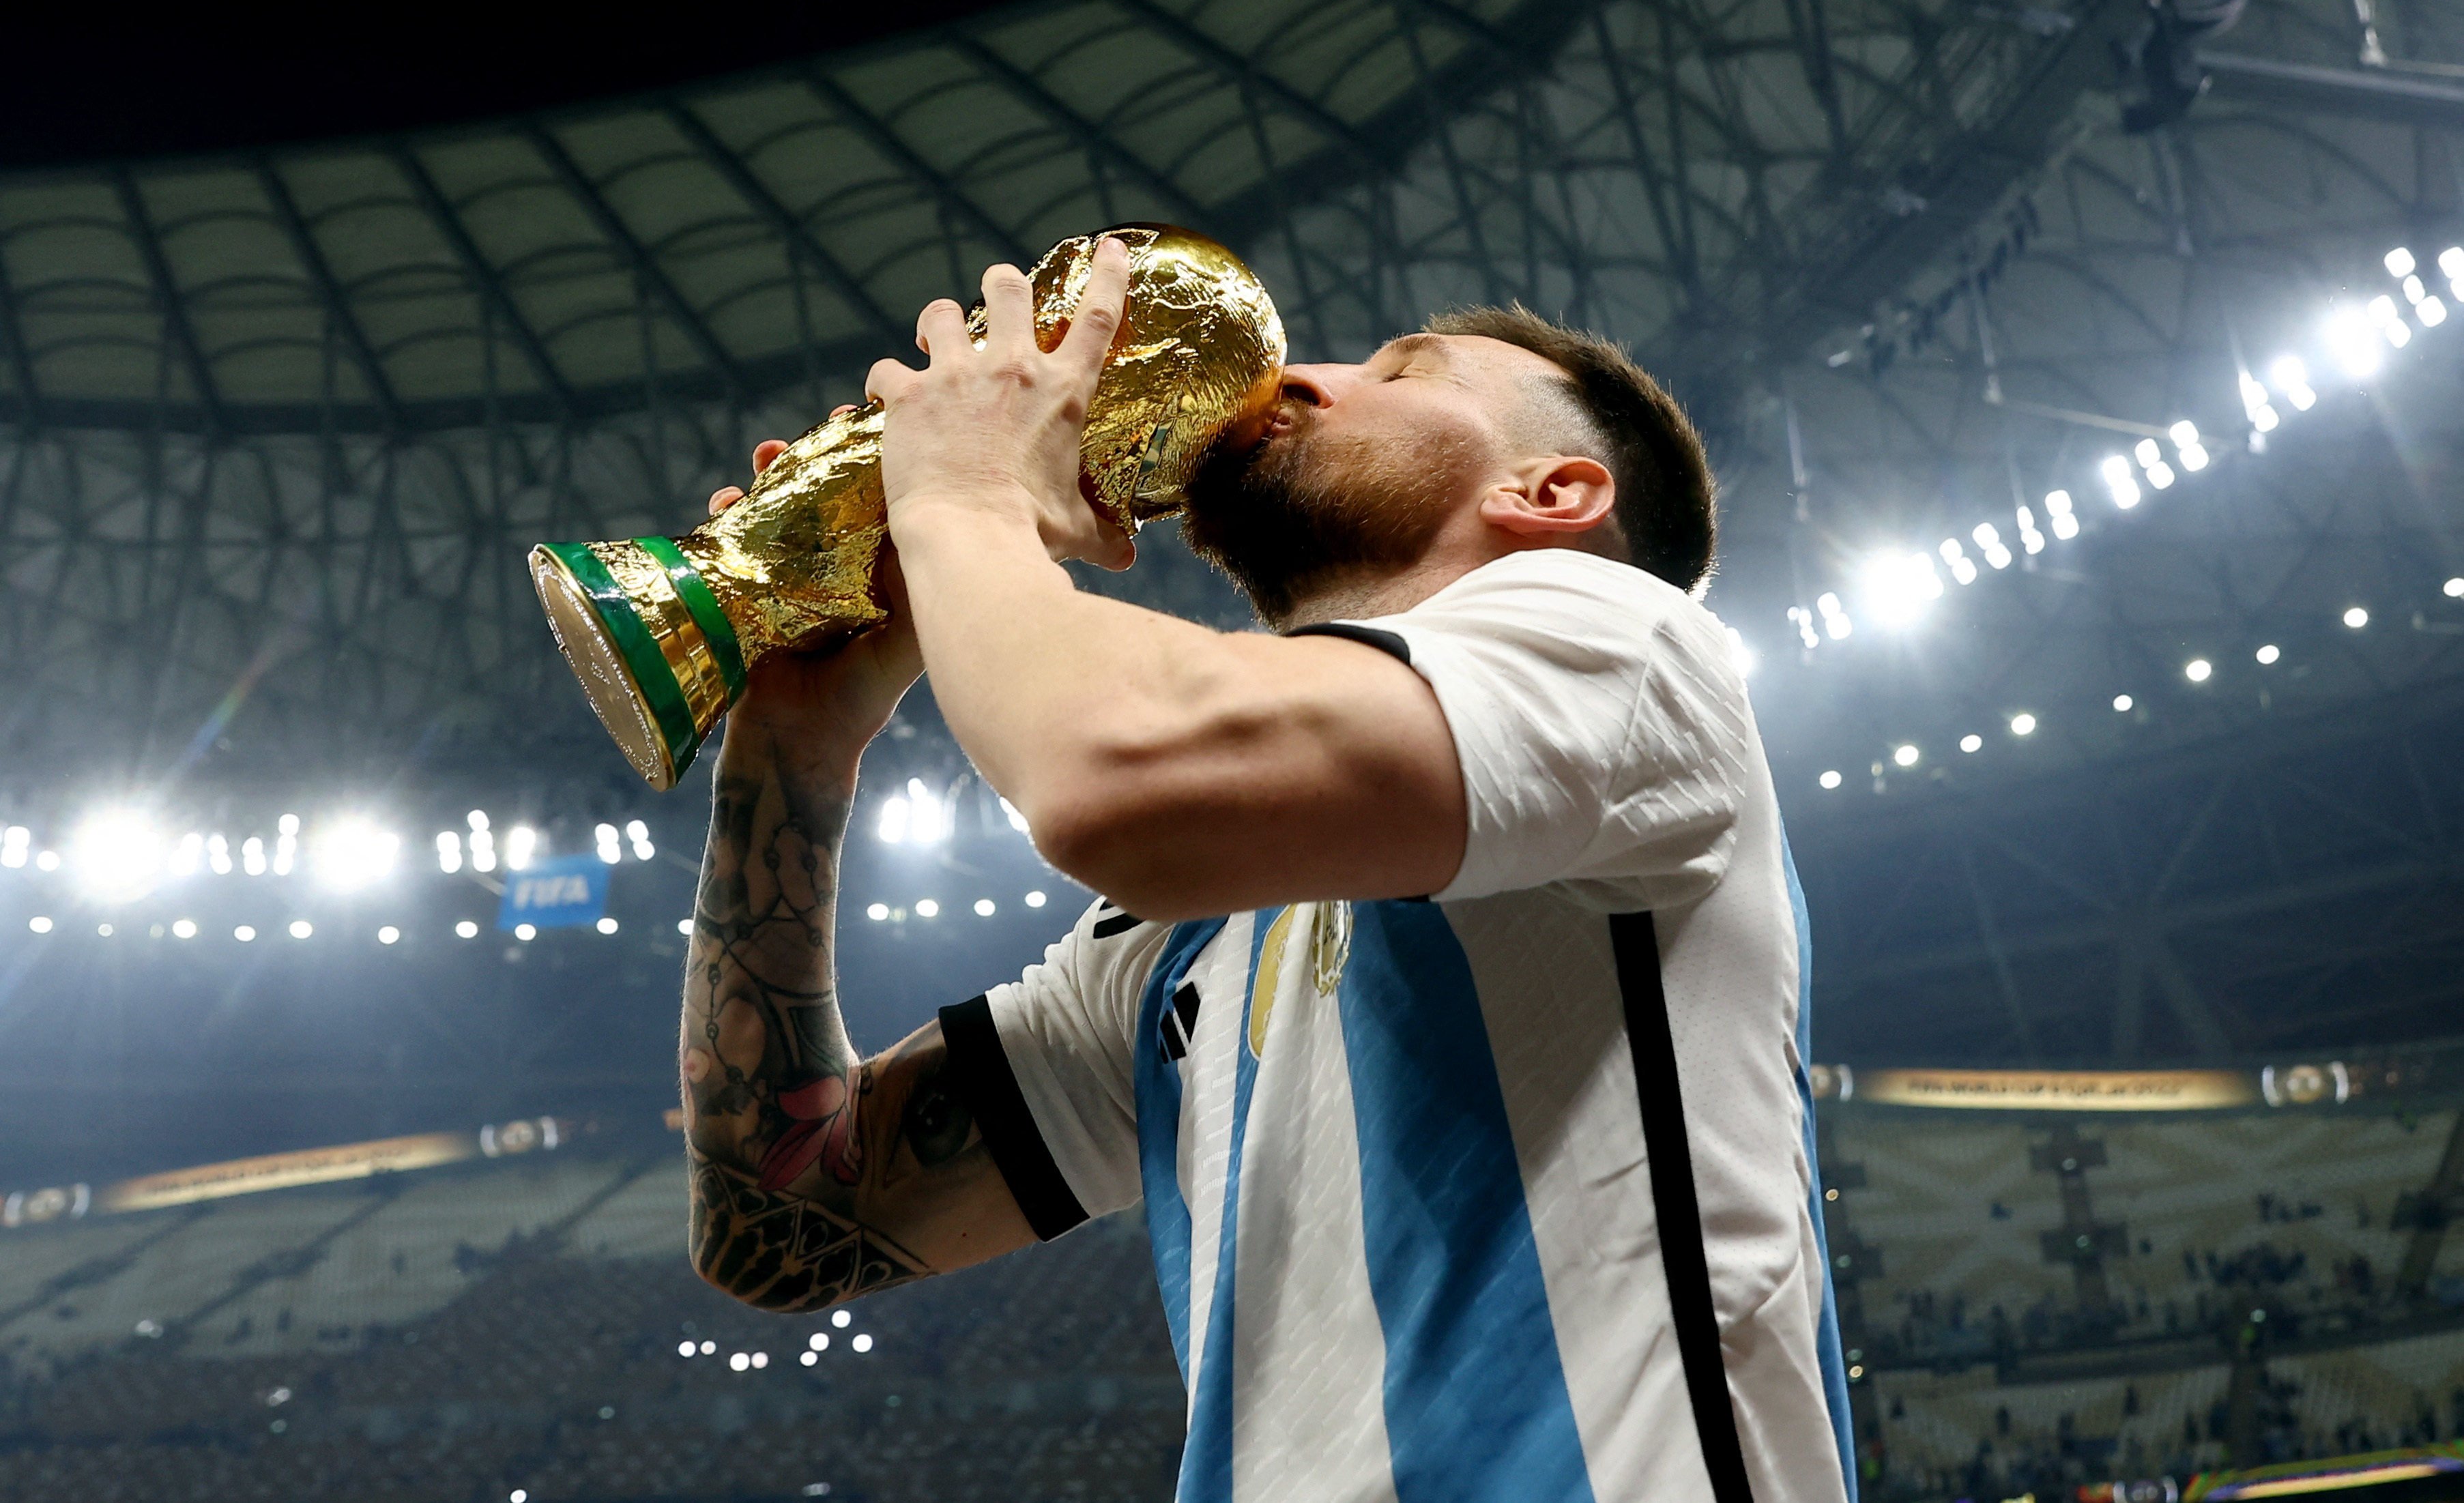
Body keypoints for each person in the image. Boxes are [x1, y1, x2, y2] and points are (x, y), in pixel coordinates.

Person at [678, 237, 1855, 1501]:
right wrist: (799, 745)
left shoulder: (1624, 643)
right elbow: (786, 1218)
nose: (1298, 377)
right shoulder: (1176, 927)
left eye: (1402, 369)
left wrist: (960, 492)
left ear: (1552, 494)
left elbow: (1102, 770)